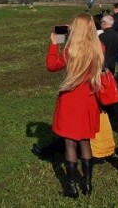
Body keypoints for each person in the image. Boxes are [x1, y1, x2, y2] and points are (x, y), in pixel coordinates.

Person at [46, 13, 104, 198]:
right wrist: (73, 32)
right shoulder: (98, 48)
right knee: (85, 141)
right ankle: (87, 183)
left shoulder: (70, 50)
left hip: (71, 99)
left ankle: (71, 186)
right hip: (89, 99)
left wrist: (55, 43)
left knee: (70, 143)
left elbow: (51, 66)